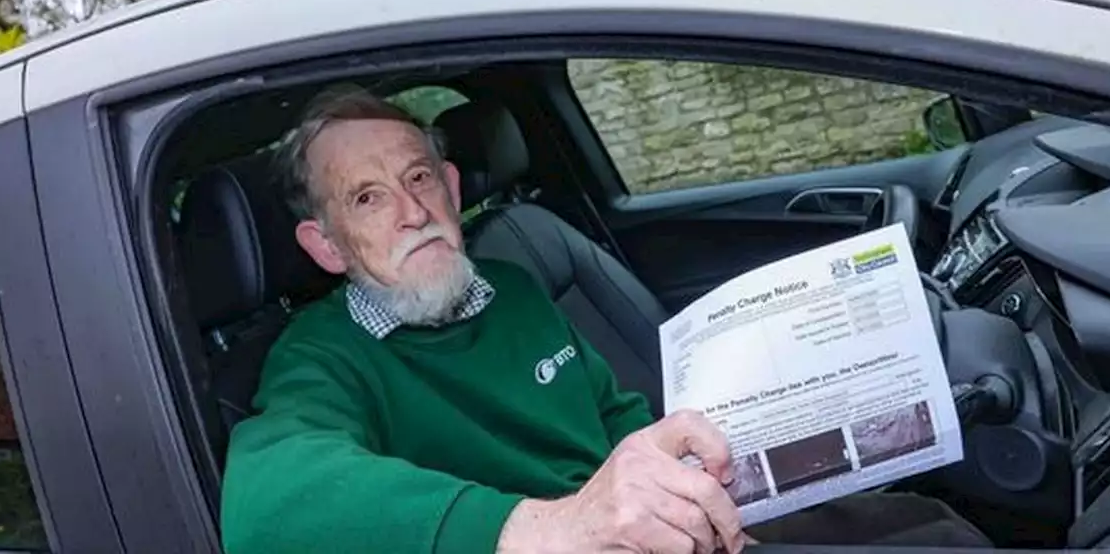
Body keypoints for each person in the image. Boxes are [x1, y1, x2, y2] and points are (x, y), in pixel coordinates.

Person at [218, 85, 991, 553]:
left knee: (927, 525)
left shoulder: (512, 287)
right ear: (324, 246)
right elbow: (266, 508)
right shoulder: (320, 356)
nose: (413, 211)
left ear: (453, 187)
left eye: (419, 177)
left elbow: (622, 418)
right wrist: (557, 529)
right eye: (367, 197)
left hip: (665, 532)